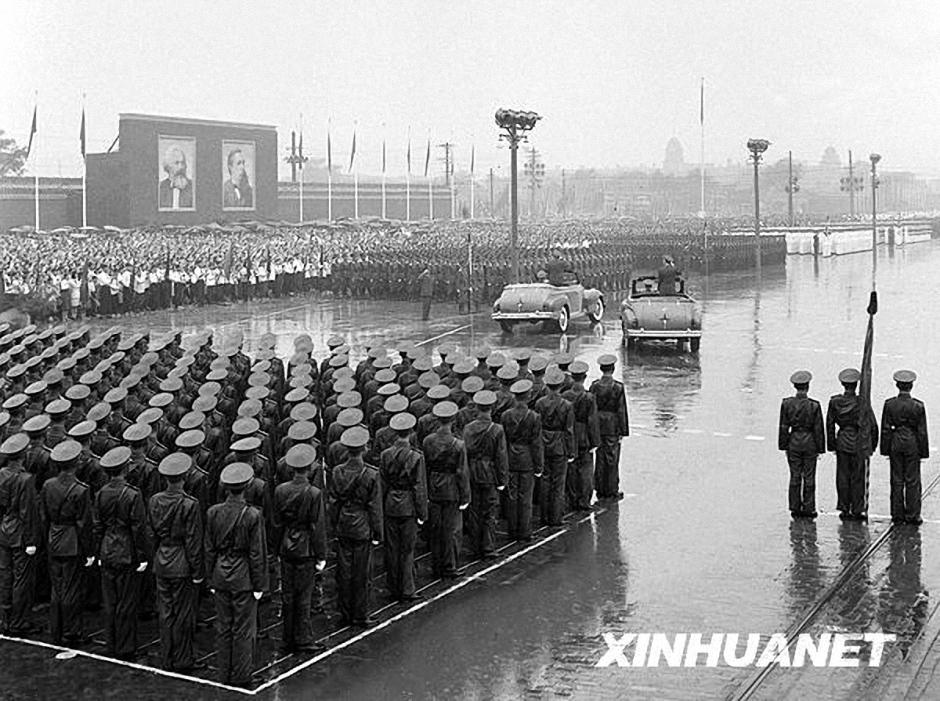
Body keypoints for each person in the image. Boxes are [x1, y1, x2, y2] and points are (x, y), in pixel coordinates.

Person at [205, 462, 268, 687]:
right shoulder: (252, 515)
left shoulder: (213, 512)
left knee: (223, 627)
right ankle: (242, 675)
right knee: (244, 629)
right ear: (247, 486)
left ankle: (224, 672)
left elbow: (209, 548)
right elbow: (256, 553)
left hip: (220, 573)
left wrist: (211, 577)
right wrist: (260, 585)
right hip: (243, 577)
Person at [149, 451, 205, 672]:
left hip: (162, 560)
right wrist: (198, 570)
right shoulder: (189, 504)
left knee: (165, 612)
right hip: (181, 563)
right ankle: (183, 659)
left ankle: (167, 655)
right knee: (184, 614)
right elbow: (193, 540)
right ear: (184, 477)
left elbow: (151, 533)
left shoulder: (154, 500)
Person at [93, 446, 150, 660]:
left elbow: (97, 526)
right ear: (125, 468)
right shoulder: (133, 495)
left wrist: (98, 552)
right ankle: (126, 646)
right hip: (126, 551)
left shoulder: (100, 494)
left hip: (107, 550)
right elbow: (138, 528)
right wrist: (143, 555)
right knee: (126, 602)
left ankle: (111, 642)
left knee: (110, 601)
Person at [273, 444, 327, 653]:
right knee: (304, 596)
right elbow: (317, 526)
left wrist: (278, 548)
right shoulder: (314, 493)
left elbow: (277, 523)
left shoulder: (280, 490)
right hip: (305, 548)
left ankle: (287, 636)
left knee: (287, 595)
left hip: (287, 546)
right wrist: (321, 554)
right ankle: (303, 638)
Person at [39, 439, 94, 646]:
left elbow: (43, 516)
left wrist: (47, 539)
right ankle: (71, 631)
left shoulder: (48, 485)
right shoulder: (81, 490)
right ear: (76, 463)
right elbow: (83, 523)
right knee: (71, 589)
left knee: (57, 587)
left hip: (54, 538)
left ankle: (57, 628)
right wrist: (89, 551)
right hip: (72, 542)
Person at [329, 426, 383, 626]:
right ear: (364, 449)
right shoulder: (370, 474)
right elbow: (374, 507)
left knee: (344, 571)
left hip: (344, 523)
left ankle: (345, 611)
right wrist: (377, 532)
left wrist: (335, 525)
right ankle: (360, 614)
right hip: (362, 526)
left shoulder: (337, 471)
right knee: (362, 573)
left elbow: (333, 502)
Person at [379, 412, 427, 602]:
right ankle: (407, 588)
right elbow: (419, 487)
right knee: (407, 550)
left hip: (390, 504)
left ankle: (392, 586)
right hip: (408, 506)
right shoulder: (416, 457)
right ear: (410, 432)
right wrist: (422, 512)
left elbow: (382, 484)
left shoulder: (385, 454)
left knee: (392, 548)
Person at [422, 402, 470, 578]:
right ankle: (450, 566)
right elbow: (462, 472)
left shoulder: (428, 441)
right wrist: (465, 496)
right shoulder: (458, 444)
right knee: (452, 530)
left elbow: (425, 468)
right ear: (453, 420)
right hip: (451, 489)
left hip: (434, 486)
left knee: (436, 529)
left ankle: (436, 565)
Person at [0, 433, 41, 634]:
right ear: (22, 455)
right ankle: (19, 621)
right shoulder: (25, 480)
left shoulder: (1, 474)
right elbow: (28, 512)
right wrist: (31, 540)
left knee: (6, 576)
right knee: (21, 579)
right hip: (20, 534)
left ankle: (5, 617)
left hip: (5, 529)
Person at [826, 368, 878, 521]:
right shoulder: (862, 402)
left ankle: (844, 507)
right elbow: (873, 425)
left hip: (842, 441)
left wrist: (832, 445)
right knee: (858, 477)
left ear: (842, 384)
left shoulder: (835, 402)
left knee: (842, 477)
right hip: (859, 442)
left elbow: (829, 425)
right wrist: (872, 445)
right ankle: (857, 508)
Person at [462, 390, 508, 560]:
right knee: (489, 511)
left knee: (474, 510)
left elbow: (464, 452)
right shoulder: (497, 429)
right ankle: (488, 547)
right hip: (489, 473)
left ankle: (475, 546)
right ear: (491, 408)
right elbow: (501, 456)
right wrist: (502, 479)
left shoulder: (468, 428)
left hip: (472, 471)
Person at [880, 370, 929, 526]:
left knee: (896, 479)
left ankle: (897, 513)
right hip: (912, 443)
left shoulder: (889, 404)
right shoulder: (918, 406)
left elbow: (886, 429)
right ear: (911, 386)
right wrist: (923, 452)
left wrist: (886, 449)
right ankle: (913, 514)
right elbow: (922, 432)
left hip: (896, 442)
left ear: (897, 385)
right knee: (912, 480)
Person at [778, 370, 825, 518]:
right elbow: (818, 429)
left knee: (795, 475)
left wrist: (784, 445)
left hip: (794, 442)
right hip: (810, 442)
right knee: (810, 476)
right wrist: (820, 448)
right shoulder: (814, 405)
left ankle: (794, 506)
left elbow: (784, 426)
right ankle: (809, 507)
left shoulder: (787, 404)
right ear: (808, 386)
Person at [589, 354, 629, 500]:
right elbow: (621, 410)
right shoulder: (618, 387)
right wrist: (623, 431)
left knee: (600, 457)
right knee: (612, 459)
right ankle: (611, 488)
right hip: (612, 426)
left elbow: (591, 408)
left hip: (598, 424)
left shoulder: (594, 386)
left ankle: (599, 487)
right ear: (613, 369)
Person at [159, 145, 194, 210]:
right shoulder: (160, 188)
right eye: (176, 163)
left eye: (183, 163)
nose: (181, 167)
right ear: (168, 167)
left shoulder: (193, 188)